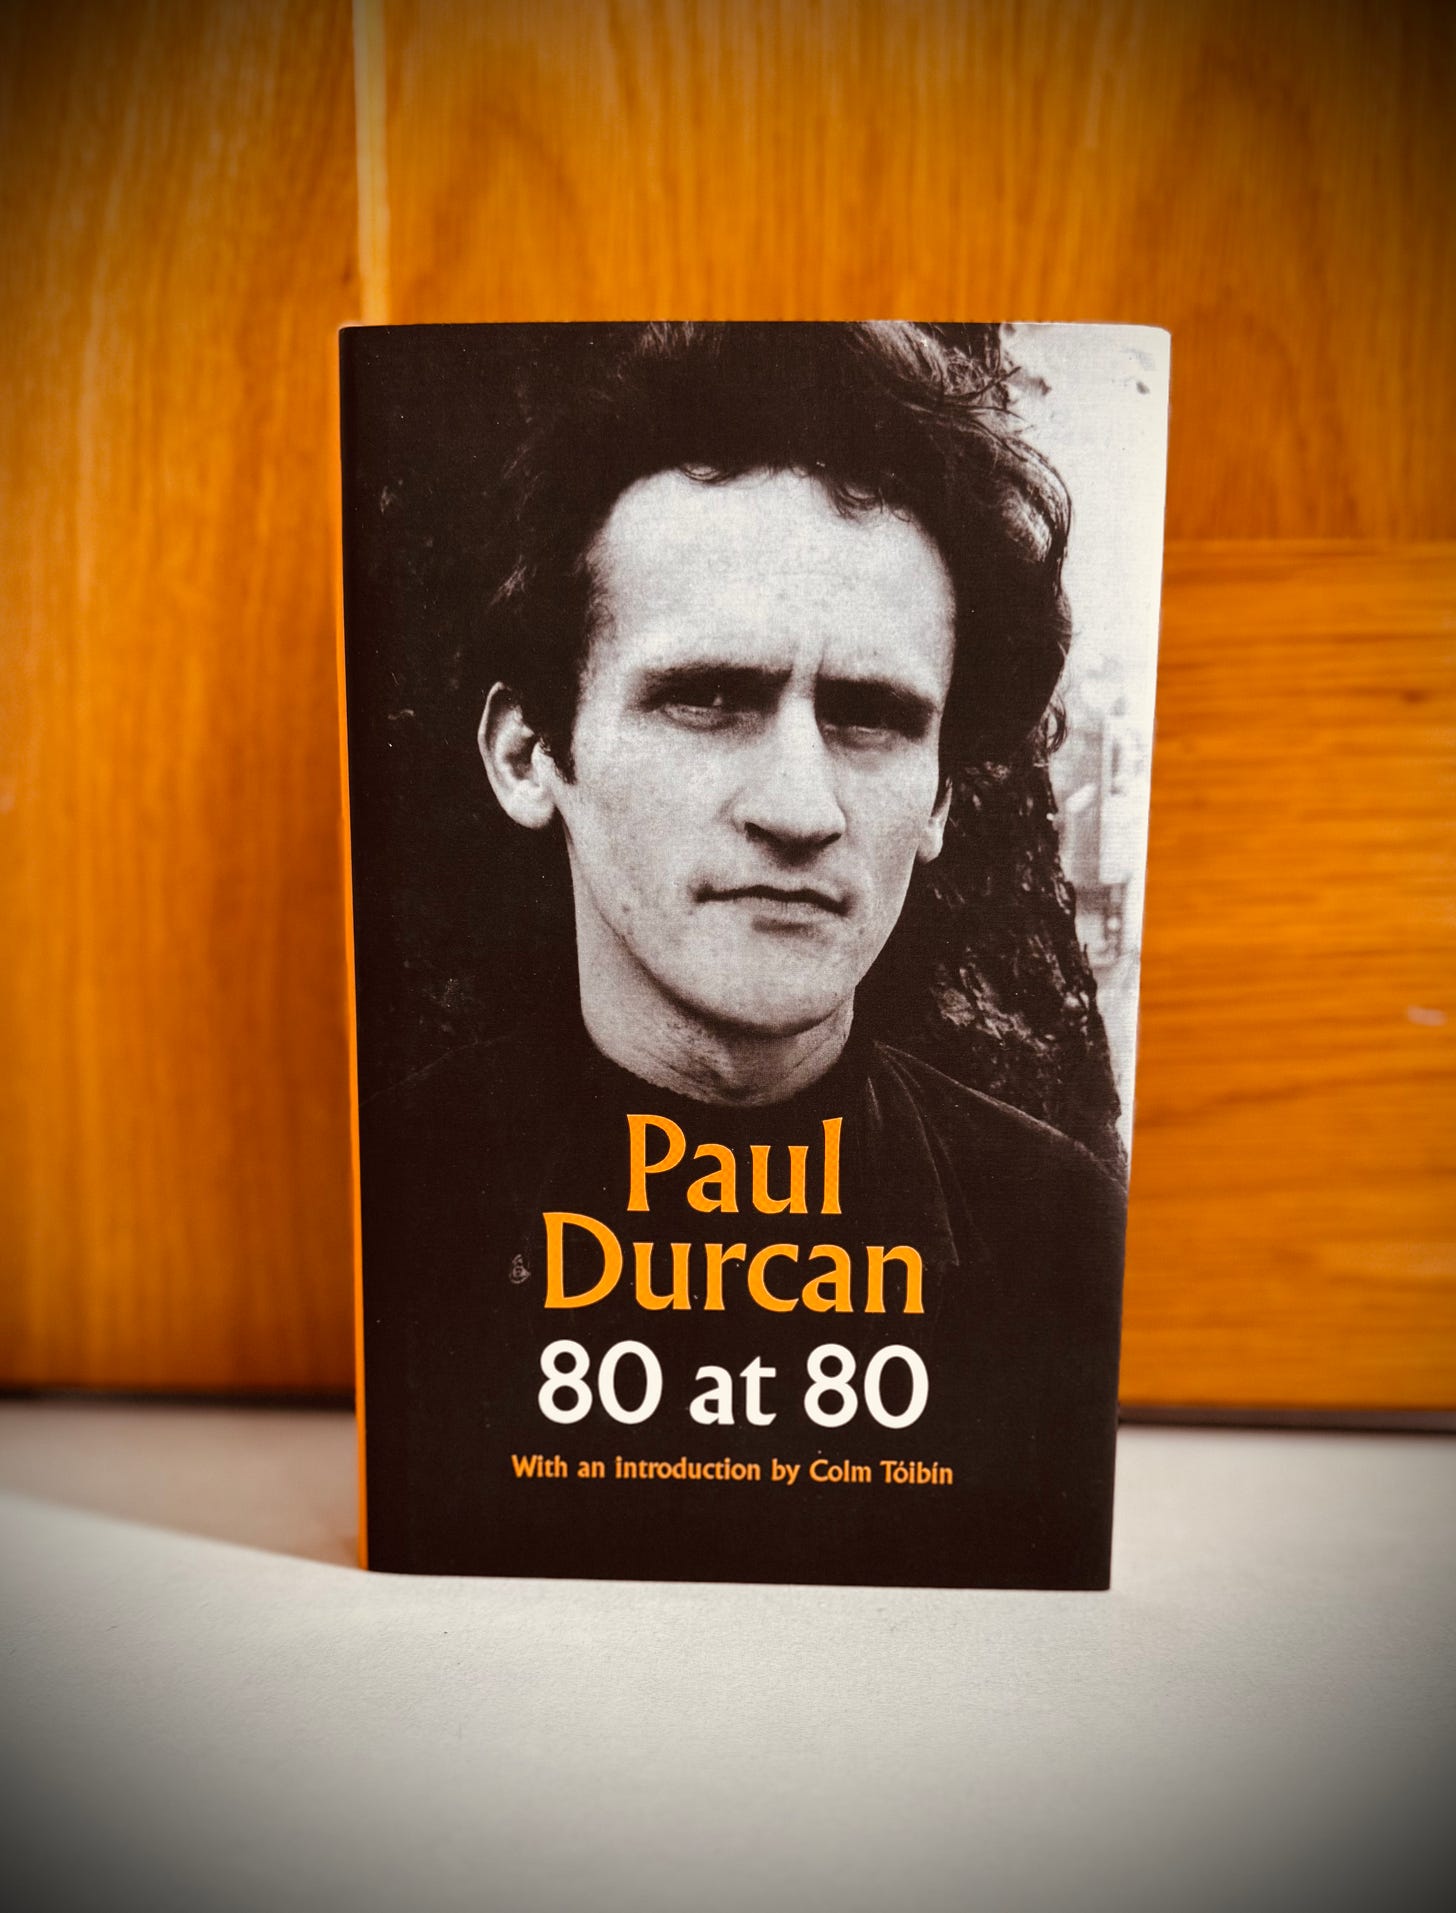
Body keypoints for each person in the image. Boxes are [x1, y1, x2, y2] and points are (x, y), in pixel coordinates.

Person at [358, 323, 1126, 1587]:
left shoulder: (1056, 1235)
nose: (800, 806)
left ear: (940, 799)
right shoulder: (394, 1209)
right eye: (706, 697)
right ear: (530, 754)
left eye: (872, 718)